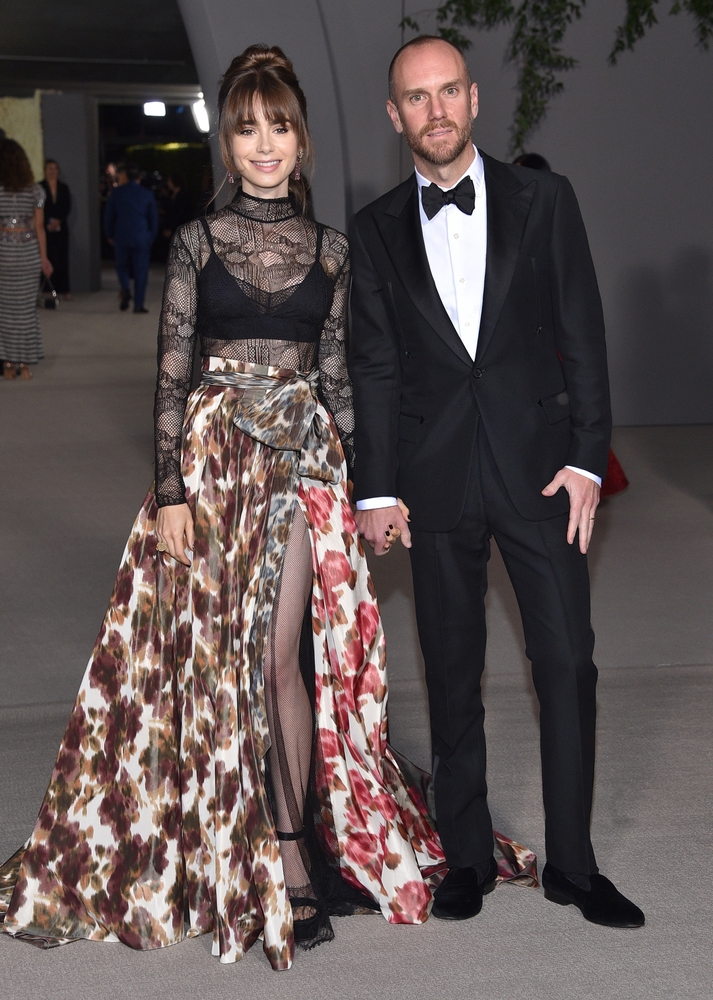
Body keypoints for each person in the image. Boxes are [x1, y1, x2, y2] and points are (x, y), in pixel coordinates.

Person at [0, 45, 534, 970]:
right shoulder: (196, 243)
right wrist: (169, 493)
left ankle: (287, 851)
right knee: (216, 661)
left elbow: (338, 381)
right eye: (246, 128)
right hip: (211, 466)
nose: (262, 144)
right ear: (229, 143)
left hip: (299, 466)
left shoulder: (332, 250)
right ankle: (220, 834)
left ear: (300, 139)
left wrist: (369, 487)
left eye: (277, 126)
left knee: (281, 656)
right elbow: (170, 380)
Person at [349, 36, 644, 928]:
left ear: (473, 98)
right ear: (394, 114)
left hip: (541, 472)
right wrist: (375, 488)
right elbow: (374, 367)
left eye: (448, 91)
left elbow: (583, 331)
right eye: (416, 97)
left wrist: (587, 458)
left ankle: (574, 867)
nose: (434, 110)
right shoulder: (374, 229)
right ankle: (466, 857)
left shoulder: (543, 199)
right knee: (450, 671)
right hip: (431, 479)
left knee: (567, 663)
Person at [512, 153, 629, 499]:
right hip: (528, 332)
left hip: (551, 332)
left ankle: (583, 468)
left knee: (570, 402)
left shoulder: (552, 211)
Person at [0, 138, 53, 380]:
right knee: (25, 311)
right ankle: (24, 363)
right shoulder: (35, 190)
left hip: (4, 253)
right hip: (28, 252)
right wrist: (44, 258)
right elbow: (39, 226)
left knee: (5, 311)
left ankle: (8, 364)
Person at [104, 162, 158, 313]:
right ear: (138, 177)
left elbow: (109, 216)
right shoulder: (146, 194)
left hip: (121, 235)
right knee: (141, 271)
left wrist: (109, 233)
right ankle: (138, 304)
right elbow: (153, 218)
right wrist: (151, 235)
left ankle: (126, 288)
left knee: (122, 266)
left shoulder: (116, 193)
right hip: (141, 236)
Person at [40, 158, 72, 299]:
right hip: (44, 228)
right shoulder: (39, 187)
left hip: (61, 228)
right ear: (45, 171)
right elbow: (38, 208)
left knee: (62, 258)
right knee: (47, 257)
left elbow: (67, 206)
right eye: (49, 168)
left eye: (54, 168)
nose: (52, 171)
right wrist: (48, 221)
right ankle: (47, 289)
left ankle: (64, 289)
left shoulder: (63, 188)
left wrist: (58, 220)